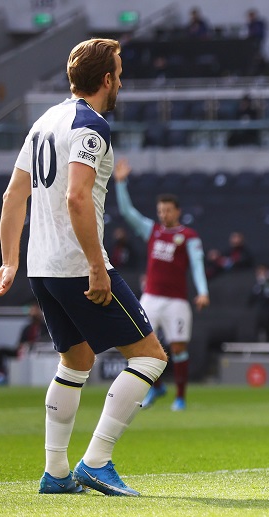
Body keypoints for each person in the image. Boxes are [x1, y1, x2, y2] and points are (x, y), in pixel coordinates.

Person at [0, 38, 168, 496]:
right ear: (106, 79)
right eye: (119, 74)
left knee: (76, 359)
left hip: (42, 268)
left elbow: (12, 196)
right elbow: (77, 196)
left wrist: (10, 262)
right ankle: (96, 461)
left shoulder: (44, 121)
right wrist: (96, 267)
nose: (120, 81)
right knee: (149, 357)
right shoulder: (91, 127)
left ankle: (57, 473)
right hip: (75, 264)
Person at [113, 158, 210, 412]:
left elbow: (198, 265)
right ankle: (156, 388)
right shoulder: (152, 231)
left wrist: (203, 292)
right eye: (160, 211)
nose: (164, 215)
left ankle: (180, 397)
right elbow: (128, 213)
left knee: (178, 348)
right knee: (140, 344)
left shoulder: (188, 237)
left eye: (168, 210)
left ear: (177, 211)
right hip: (151, 298)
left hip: (176, 300)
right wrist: (121, 183)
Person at [0, 301, 50, 385]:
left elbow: (46, 341)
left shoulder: (45, 328)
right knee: (0, 350)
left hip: (38, 352)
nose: (33, 313)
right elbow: (20, 342)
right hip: (24, 351)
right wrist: (22, 346)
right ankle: (0, 374)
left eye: (35, 310)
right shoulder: (27, 328)